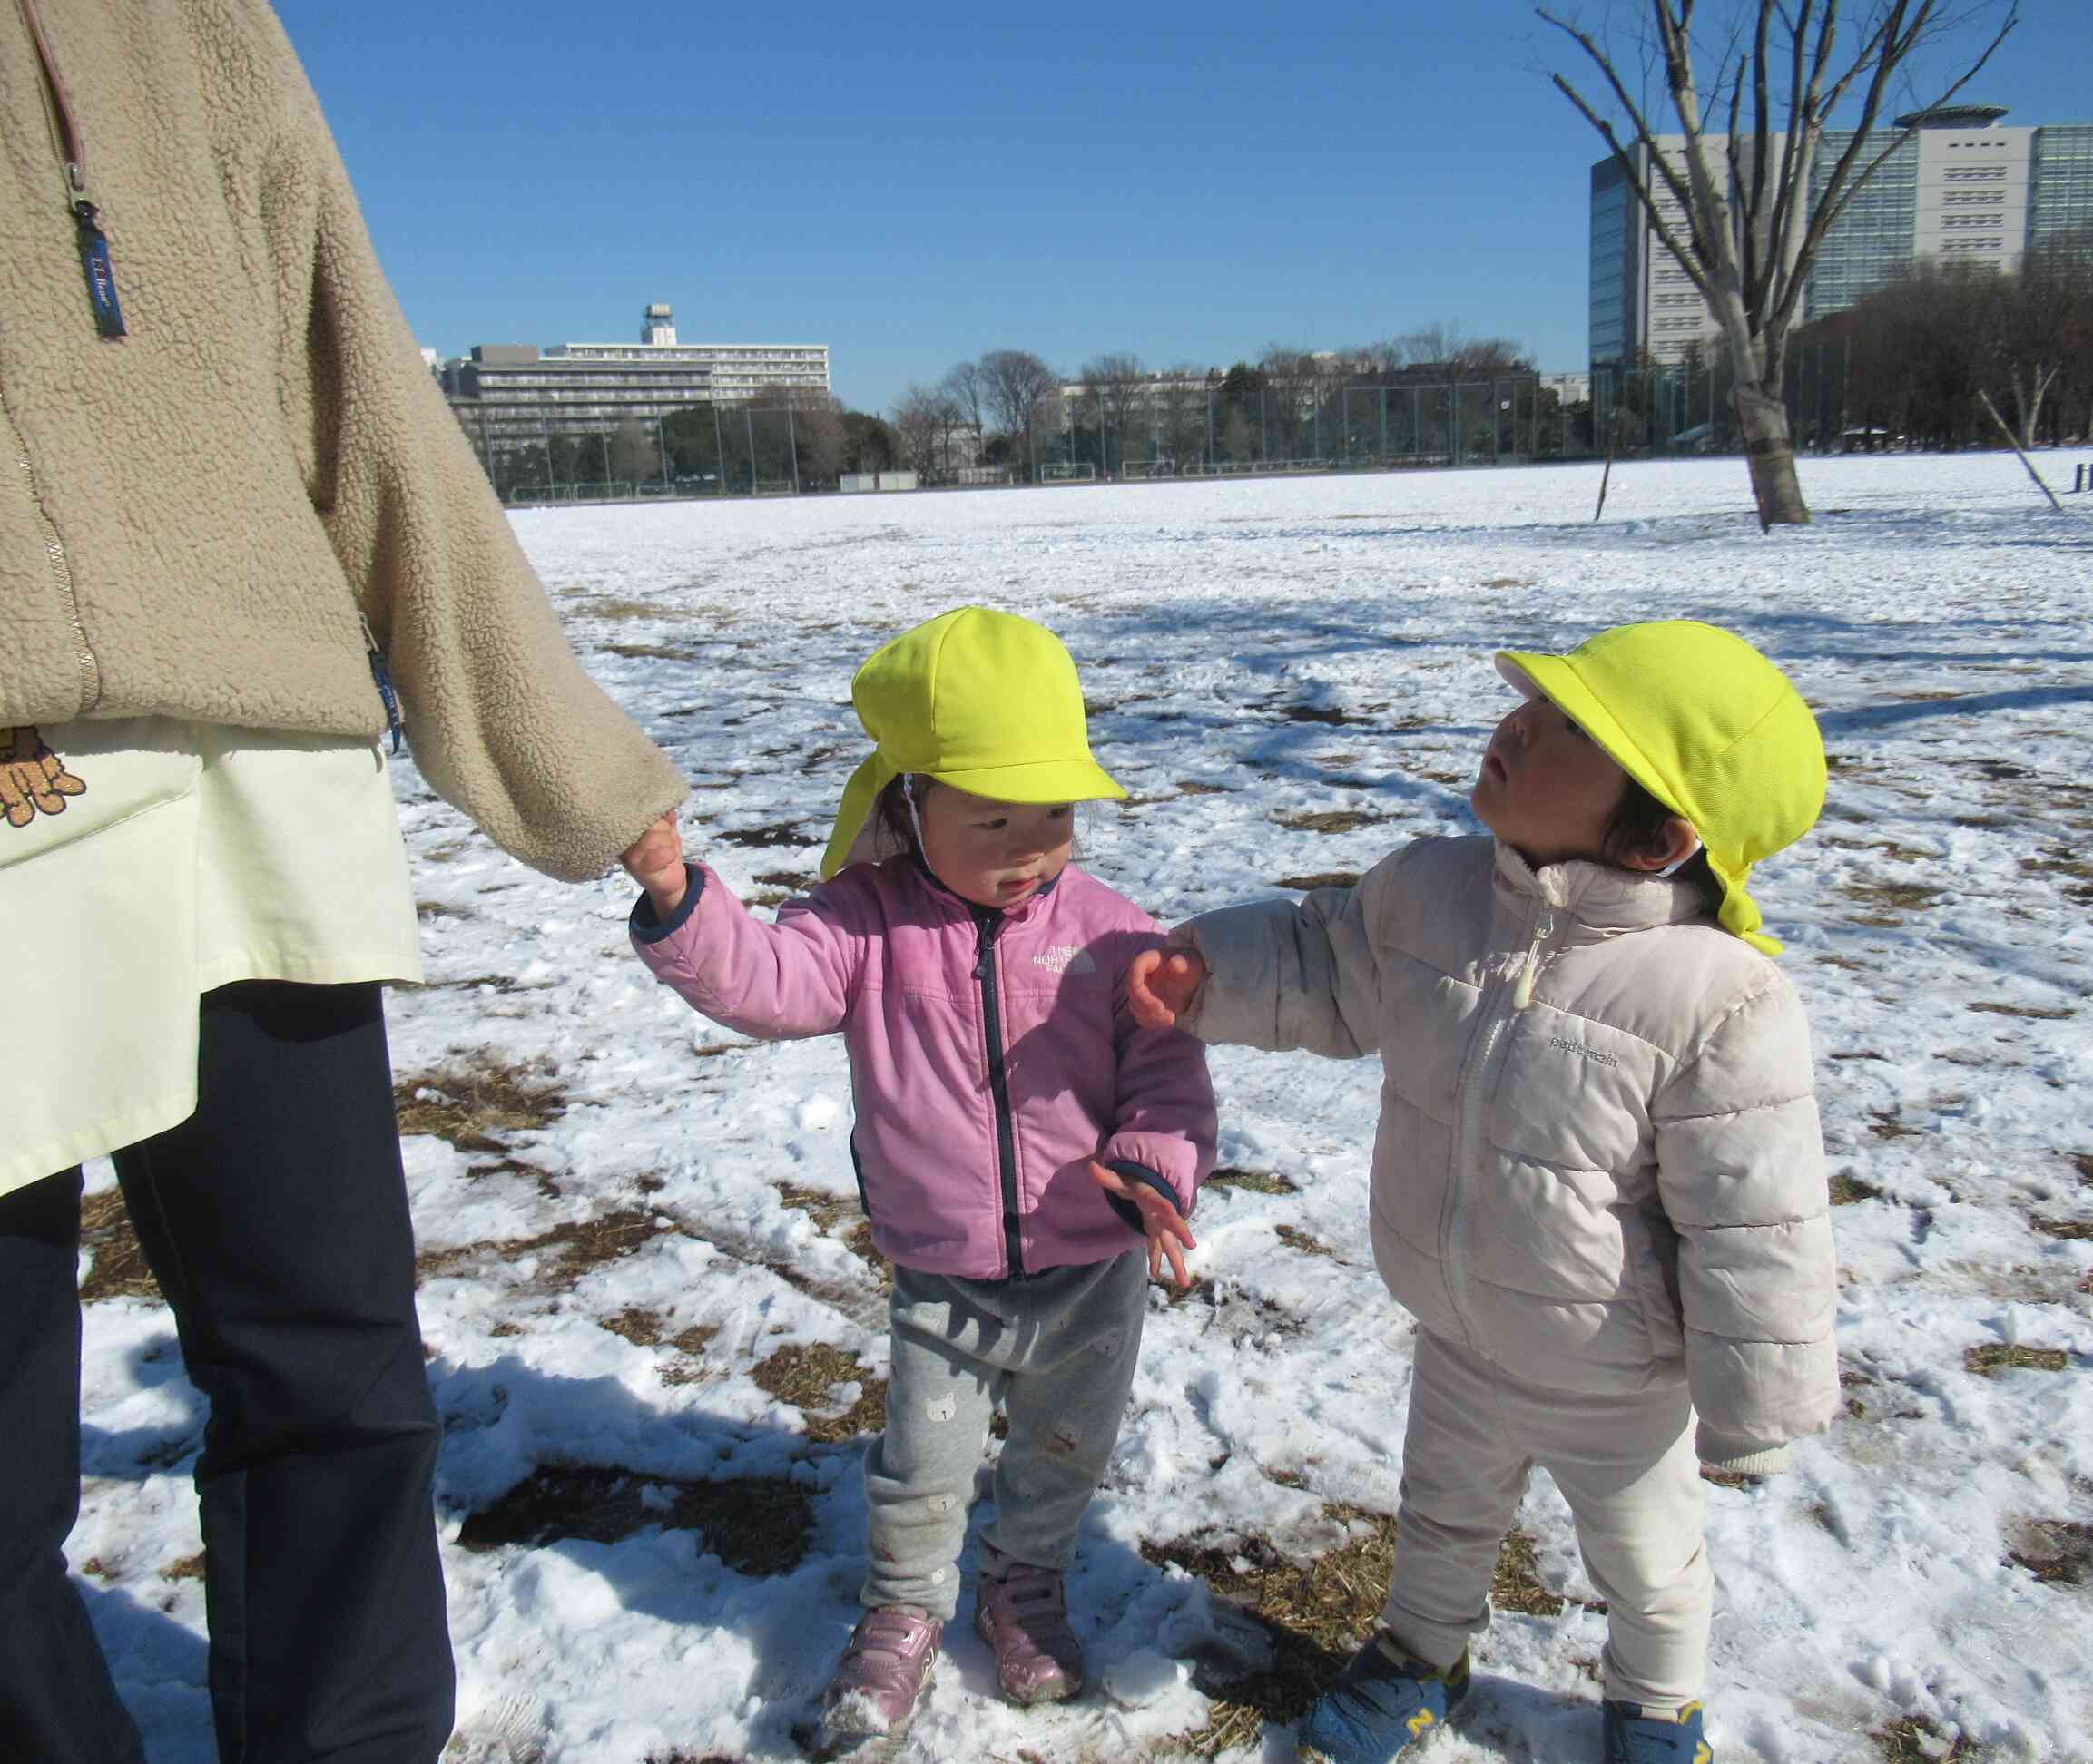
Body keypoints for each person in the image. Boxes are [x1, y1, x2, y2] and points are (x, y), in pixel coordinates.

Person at [0, 3, 685, 1759]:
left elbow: (364, 388)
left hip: (259, 775)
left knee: (341, 1391)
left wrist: (576, 770)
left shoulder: (197, 23)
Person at [1127, 622, 1836, 1764]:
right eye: (1535, 708)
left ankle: (1656, 1706)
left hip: (1614, 1365)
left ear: (1661, 835)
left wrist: (1755, 1405)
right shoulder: (1432, 895)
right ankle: (1420, 1652)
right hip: (1457, 1327)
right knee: (1442, 1517)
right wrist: (1209, 970)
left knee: (1647, 1561)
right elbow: (1328, 966)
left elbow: (1757, 1221)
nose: (1517, 728)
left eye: (1568, 733)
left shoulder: (1717, 1001)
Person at [619, 606, 1215, 1747]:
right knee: (923, 1462)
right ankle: (902, 1611)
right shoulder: (862, 923)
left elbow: (1170, 1076)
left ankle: (1026, 1583)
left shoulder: (1106, 932)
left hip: (1093, 1267)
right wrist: (677, 895)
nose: (1031, 843)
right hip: (945, 1272)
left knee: (1062, 1451)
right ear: (909, 803)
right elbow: (769, 983)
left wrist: (1153, 1168)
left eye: (1054, 811)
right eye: (993, 815)